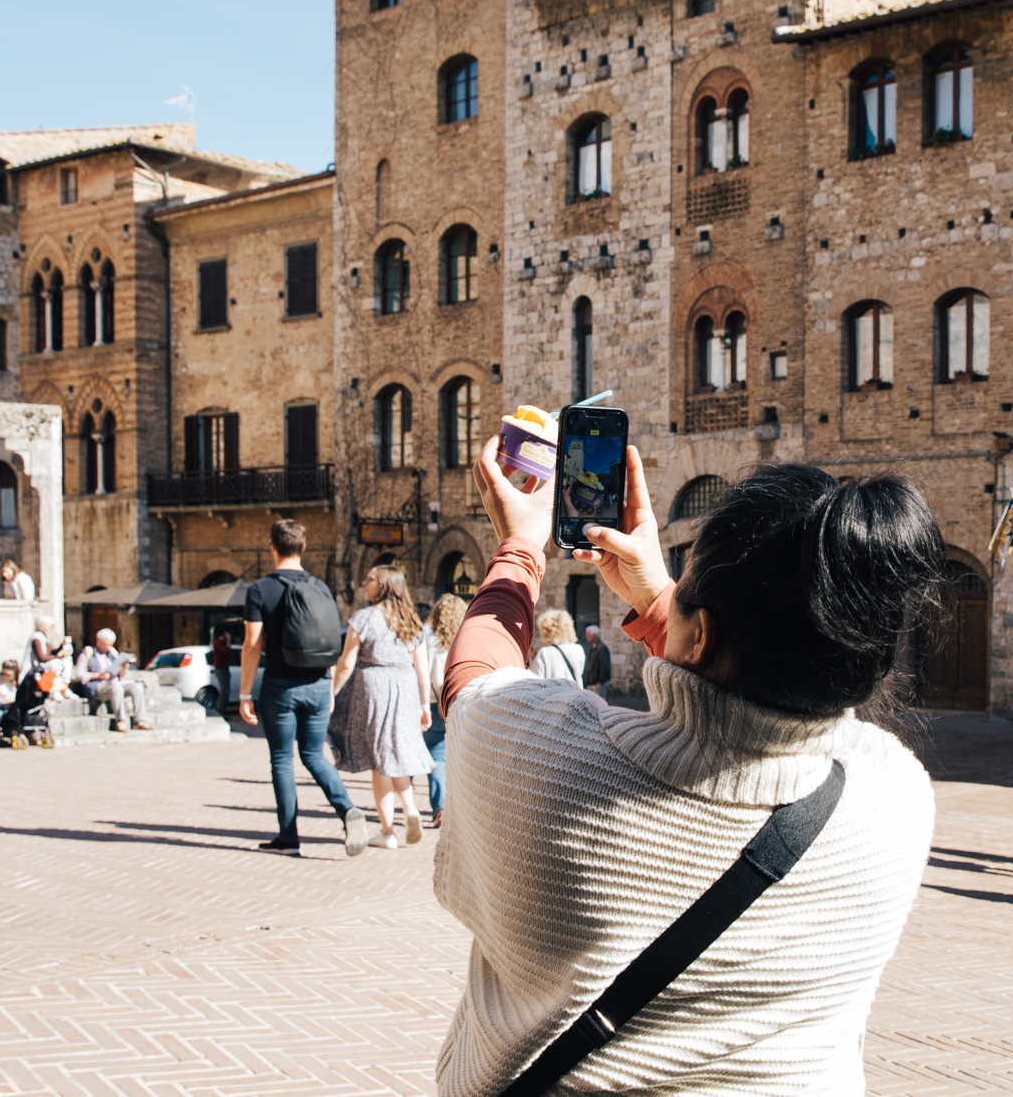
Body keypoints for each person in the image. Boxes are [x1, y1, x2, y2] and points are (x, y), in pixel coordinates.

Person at [436, 439, 938, 1096]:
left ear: (699, 630)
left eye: (684, 575)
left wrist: (520, 546)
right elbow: (749, 687)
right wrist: (662, 602)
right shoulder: (895, 797)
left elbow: (474, 681)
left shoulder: (550, 760)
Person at [238, 518, 369, 858]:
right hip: (318, 684)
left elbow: (252, 644)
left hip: (281, 687)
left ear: (272, 547)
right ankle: (347, 809)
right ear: (303, 548)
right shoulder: (319, 586)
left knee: (281, 759)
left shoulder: (260, 590)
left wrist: (244, 692)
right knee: (313, 755)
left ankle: (288, 837)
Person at [331, 564, 437, 849]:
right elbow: (422, 669)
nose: (364, 583)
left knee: (380, 760)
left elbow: (346, 663)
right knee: (397, 751)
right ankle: (411, 808)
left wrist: (332, 692)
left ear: (385, 585)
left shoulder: (363, 618)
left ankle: (388, 831)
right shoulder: (412, 621)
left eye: (370, 580)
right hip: (405, 688)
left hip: (373, 685)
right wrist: (424, 704)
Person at [422, 593, 465, 828]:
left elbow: (423, 674)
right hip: (461, 703)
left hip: (434, 703)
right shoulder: (467, 640)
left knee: (436, 756)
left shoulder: (428, 642)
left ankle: (440, 806)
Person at [76, 628, 152, 732]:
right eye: (104, 644)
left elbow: (123, 675)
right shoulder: (87, 653)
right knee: (117, 689)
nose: (107, 647)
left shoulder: (112, 652)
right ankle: (120, 721)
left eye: (109, 645)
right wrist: (99, 675)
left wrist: (124, 667)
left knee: (137, 687)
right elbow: (79, 675)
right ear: (98, 640)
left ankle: (140, 720)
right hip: (98, 686)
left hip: (114, 682)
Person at [530, 610, 589, 687]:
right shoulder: (578, 649)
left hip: (553, 696)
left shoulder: (544, 653)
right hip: (574, 695)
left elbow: (535, 683)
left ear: (546, 630)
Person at [582, 623, 612, 698]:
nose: (586, 636)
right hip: (593, 683)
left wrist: (600, 681)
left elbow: (605, 667)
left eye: (588, 634)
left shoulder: (601, 648)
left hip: (598, 684)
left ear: (594, 635)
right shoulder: (594, 648)